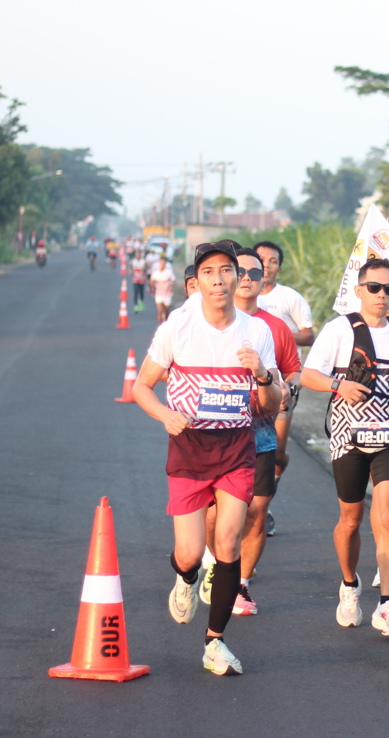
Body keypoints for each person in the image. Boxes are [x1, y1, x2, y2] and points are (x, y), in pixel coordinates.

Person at [132, 240, 280, 677]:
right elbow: (141, 386)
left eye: (227, 270)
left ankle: (215, 642)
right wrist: (165, 415)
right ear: (196, 282)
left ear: (238, 277)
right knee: (190, 552)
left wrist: (262, 375)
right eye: (209, 272)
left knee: (228, 543)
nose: (219, 279)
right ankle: (185, 576)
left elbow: (271, 404)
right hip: (190, 447)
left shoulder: (257, 331)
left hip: (236, 447)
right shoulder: (177, 328)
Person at [300, 258, 389, 637]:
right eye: (374, 288)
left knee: (386, 515)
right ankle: (349, 585)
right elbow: (308, 375)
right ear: (359, 291)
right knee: (351, 519)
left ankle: (387, 605)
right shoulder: (340, 329)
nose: (382, 295)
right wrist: (339, 385)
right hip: (348, 435)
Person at [199, 249, 300, 616]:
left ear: (264, 280)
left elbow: (292, 370)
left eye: (254, 273)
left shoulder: (273, 327)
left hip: (260, 433)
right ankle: (216, 564)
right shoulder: (207, 320)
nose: (246, 278)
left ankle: (239, 583)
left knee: (257, 510)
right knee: (214, 513)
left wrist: (287, 388)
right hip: (217, 434)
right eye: (239, 271)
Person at [254, 240, 314, 514]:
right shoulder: (240, 297)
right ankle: (258, 510)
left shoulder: (290, 298)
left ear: (279, 268)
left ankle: (271, 484)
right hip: (250, 385)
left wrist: (276, 332)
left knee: (275, 451)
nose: (266, 265)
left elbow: (308, 336)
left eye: (273, 261)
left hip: (284, 384)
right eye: (261, 259)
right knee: (250, 448)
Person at [151, 256, 176, 323]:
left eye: (163, 264)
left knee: (167, 311)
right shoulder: (155, 273)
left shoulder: (168, 272)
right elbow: (152, 281)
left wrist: (171, 286)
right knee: (160, 310)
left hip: (167, 294)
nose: (162, 265)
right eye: (161, 263)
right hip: (159, 294)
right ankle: (160, 325)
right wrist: (153, 288)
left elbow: (173, 281)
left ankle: (166, 321)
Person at [131, 249, 148, 313]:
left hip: (142, 280)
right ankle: (135, 305)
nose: (137, 256)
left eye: (138, 254)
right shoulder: (133, 261)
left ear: (140, 255)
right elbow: (130, 267)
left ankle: (141, 301)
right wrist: (130, 271)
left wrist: (145, 269)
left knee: (141, 292)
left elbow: (148, 267)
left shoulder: (144, 261)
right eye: (136, 255)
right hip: (135, 280)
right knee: (135, 292)